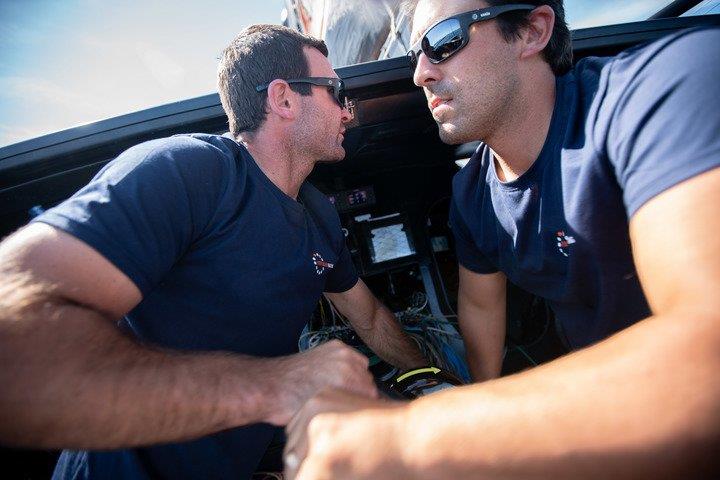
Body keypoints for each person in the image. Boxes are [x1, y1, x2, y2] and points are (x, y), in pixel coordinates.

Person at [283, 1, 720, 478]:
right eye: (416, 56)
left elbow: (708, 358)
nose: (421, 74)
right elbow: (482, 308)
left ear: (533, 31)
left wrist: (412, 437)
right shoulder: (473, 196)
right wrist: (466, 393)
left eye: (444, 41)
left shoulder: (662, 89)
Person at [0, 24, 427, 479]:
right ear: (283, 99)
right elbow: (14, 345)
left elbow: (371, 319)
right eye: (336, 92)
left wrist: (435, 383)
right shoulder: (191, 172)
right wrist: (275, 386)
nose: (348, 112)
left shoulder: (319, 214)